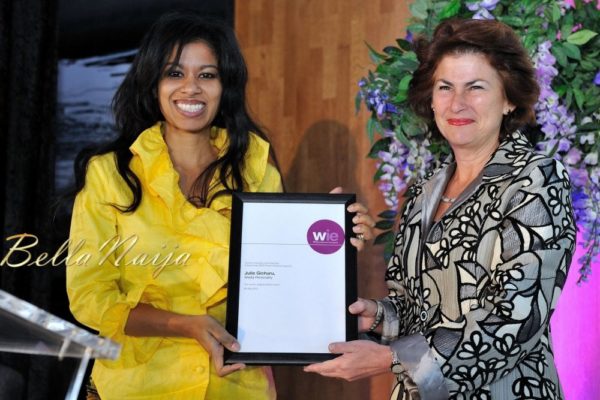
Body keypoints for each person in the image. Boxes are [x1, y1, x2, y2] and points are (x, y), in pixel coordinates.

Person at [66, 11, 373, 400]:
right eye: (175, 73)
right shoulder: (109, 174)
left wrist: (331, 244)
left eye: (207, 75)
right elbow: (91, 299)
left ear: (224, 85)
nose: (191, 88)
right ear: (153, 83)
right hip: (139, 386)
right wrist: (182, 324)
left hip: (237, 386)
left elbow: (281, 281)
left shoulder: (257, 169)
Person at [305, 18, 575, 400]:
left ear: (509, 99)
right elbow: (418, 305)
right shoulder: (423, 190)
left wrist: (391, 359)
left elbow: (516, 315)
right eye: (445, 87)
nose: (457, 103)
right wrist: (377, 315)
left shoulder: (536, 178)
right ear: (430, 100)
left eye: (476, 88)